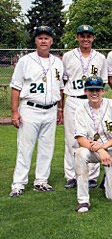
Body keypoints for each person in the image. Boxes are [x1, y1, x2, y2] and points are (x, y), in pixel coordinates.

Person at [9, 26, 64, 197]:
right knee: (25, 147)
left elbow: (60, 88)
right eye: (40, 38)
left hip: (51, 109)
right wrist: (14, 112)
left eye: (46, 38)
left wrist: (60, 108)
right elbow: (16, 88)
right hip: (30, 108)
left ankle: (41, 181)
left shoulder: (57, 62)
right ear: (35, 41)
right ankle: (18, 183)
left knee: (47, 148)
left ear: (51, 41)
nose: (43, 41)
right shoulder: (25, 61)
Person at [74, 76, 112, 213]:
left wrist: (104, 146)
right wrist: (100, 150)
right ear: (85, 91)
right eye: (91, 89)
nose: (94, 93)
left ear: (103, 91)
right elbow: (80, 139)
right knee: (80, 153)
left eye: (97, 89)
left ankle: (108, 177)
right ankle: (83, 201)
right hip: (95, 151)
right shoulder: (80, 109)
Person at [62, 25, 107, 190]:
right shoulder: (68, 56)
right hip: (73, 99)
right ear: (77, 37)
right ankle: (71, 176)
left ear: (93, 38)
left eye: (88, 36)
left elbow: (102, 83)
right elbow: (64, 82)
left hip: (92, 101)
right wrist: (61, 108)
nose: (85, 39)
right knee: (71, 140)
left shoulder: (100, 57)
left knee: (94, 138)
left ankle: (92, 177)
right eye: (82, 36)